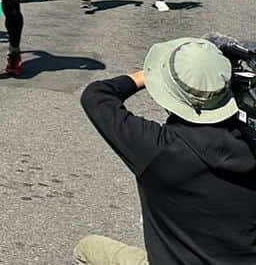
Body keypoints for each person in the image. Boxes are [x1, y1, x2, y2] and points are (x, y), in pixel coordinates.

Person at [76, 37, 256, 265]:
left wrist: (149, 74)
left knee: (88, 247)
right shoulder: (248, 144)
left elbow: (96, 96)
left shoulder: (159, 148)